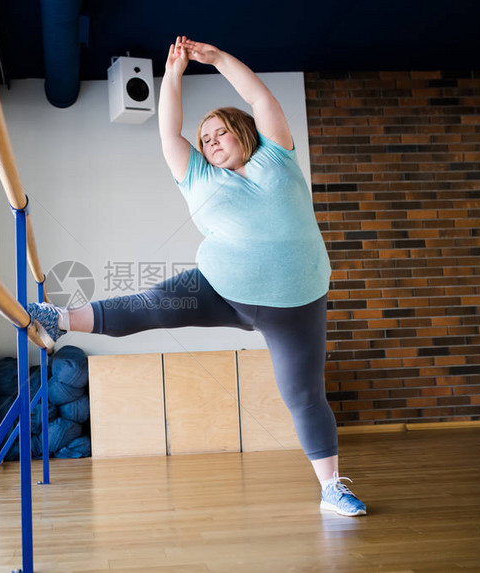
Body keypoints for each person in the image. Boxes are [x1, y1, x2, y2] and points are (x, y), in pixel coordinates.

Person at [29, 37, 366, 517]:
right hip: (220, 289)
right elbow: (169, 132)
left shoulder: (279, 157)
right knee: (150, 305)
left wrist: (220, 60)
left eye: (219, 132)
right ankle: (59, 318)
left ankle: (332, 488)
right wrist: (172, 75)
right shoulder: (198, 178)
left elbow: (260, 98)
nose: (208, 141)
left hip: (296, 303)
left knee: (304, 394)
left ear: (244, 132)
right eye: (204, 137)